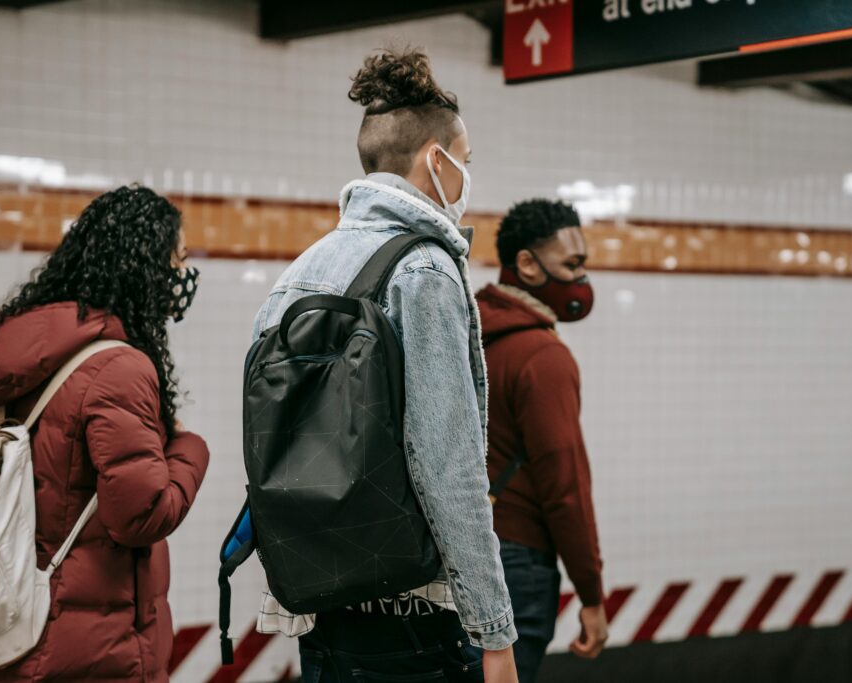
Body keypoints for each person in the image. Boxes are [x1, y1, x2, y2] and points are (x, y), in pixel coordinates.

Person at [250, 49, 519, 683]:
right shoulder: (424, 271)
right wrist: (495, 632)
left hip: (320, 599)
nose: (466, 176)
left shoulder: (300, 272)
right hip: (413, 617)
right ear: (436, 159)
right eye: (466, 162)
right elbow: (447, 463)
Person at [0, 185, 210, 682]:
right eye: (177, 260)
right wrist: (189, 448)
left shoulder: (22, 355)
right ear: (144, 268)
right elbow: (140, 517)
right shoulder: (119, 367)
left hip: (15, 629)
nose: (183, 275)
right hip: (94, 649)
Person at [476, 199, 609, 683]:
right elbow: (565, 487)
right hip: (517, 562)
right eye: (572, 265)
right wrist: (591, 595)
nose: (581, 281)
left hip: (453, 556)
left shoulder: (465, 331)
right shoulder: (543, 357)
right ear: (527, 264)